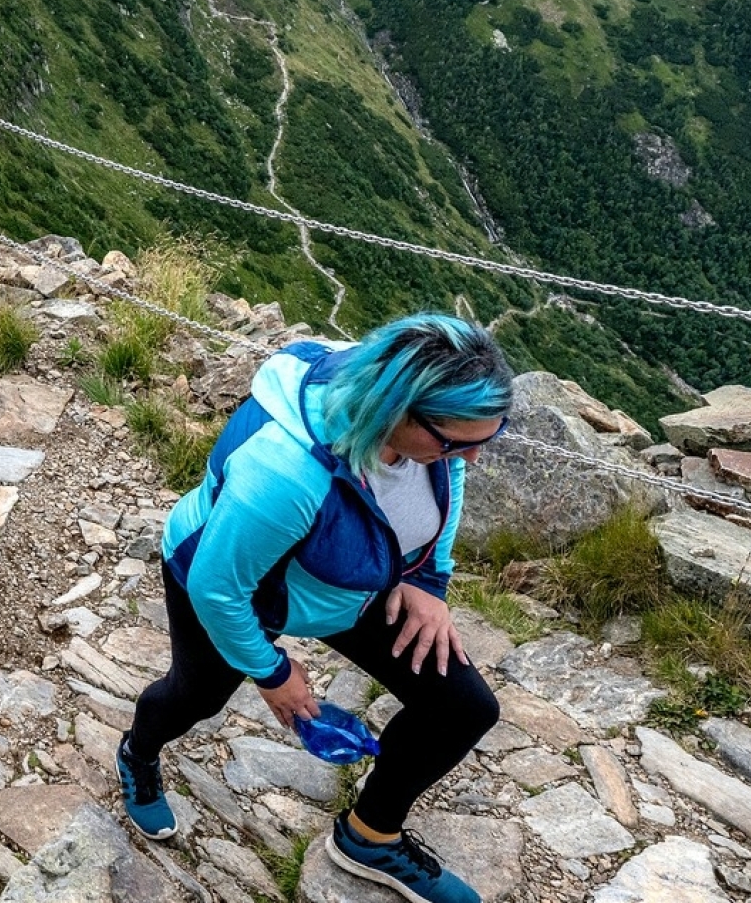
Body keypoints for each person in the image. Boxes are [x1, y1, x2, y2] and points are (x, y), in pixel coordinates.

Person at [116, 314, 509, 903]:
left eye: (487, 440)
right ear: (396, 410)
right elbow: (216, 588)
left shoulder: (413, 406)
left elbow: (448, 480)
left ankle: (370, 836)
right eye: (458, 442)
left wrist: (430, 578)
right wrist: (274, 675)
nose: (472, 459)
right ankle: (138, 753)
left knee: (461, 707)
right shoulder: (285, 472)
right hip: (236, 584)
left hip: (351, 580)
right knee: (194, 698)